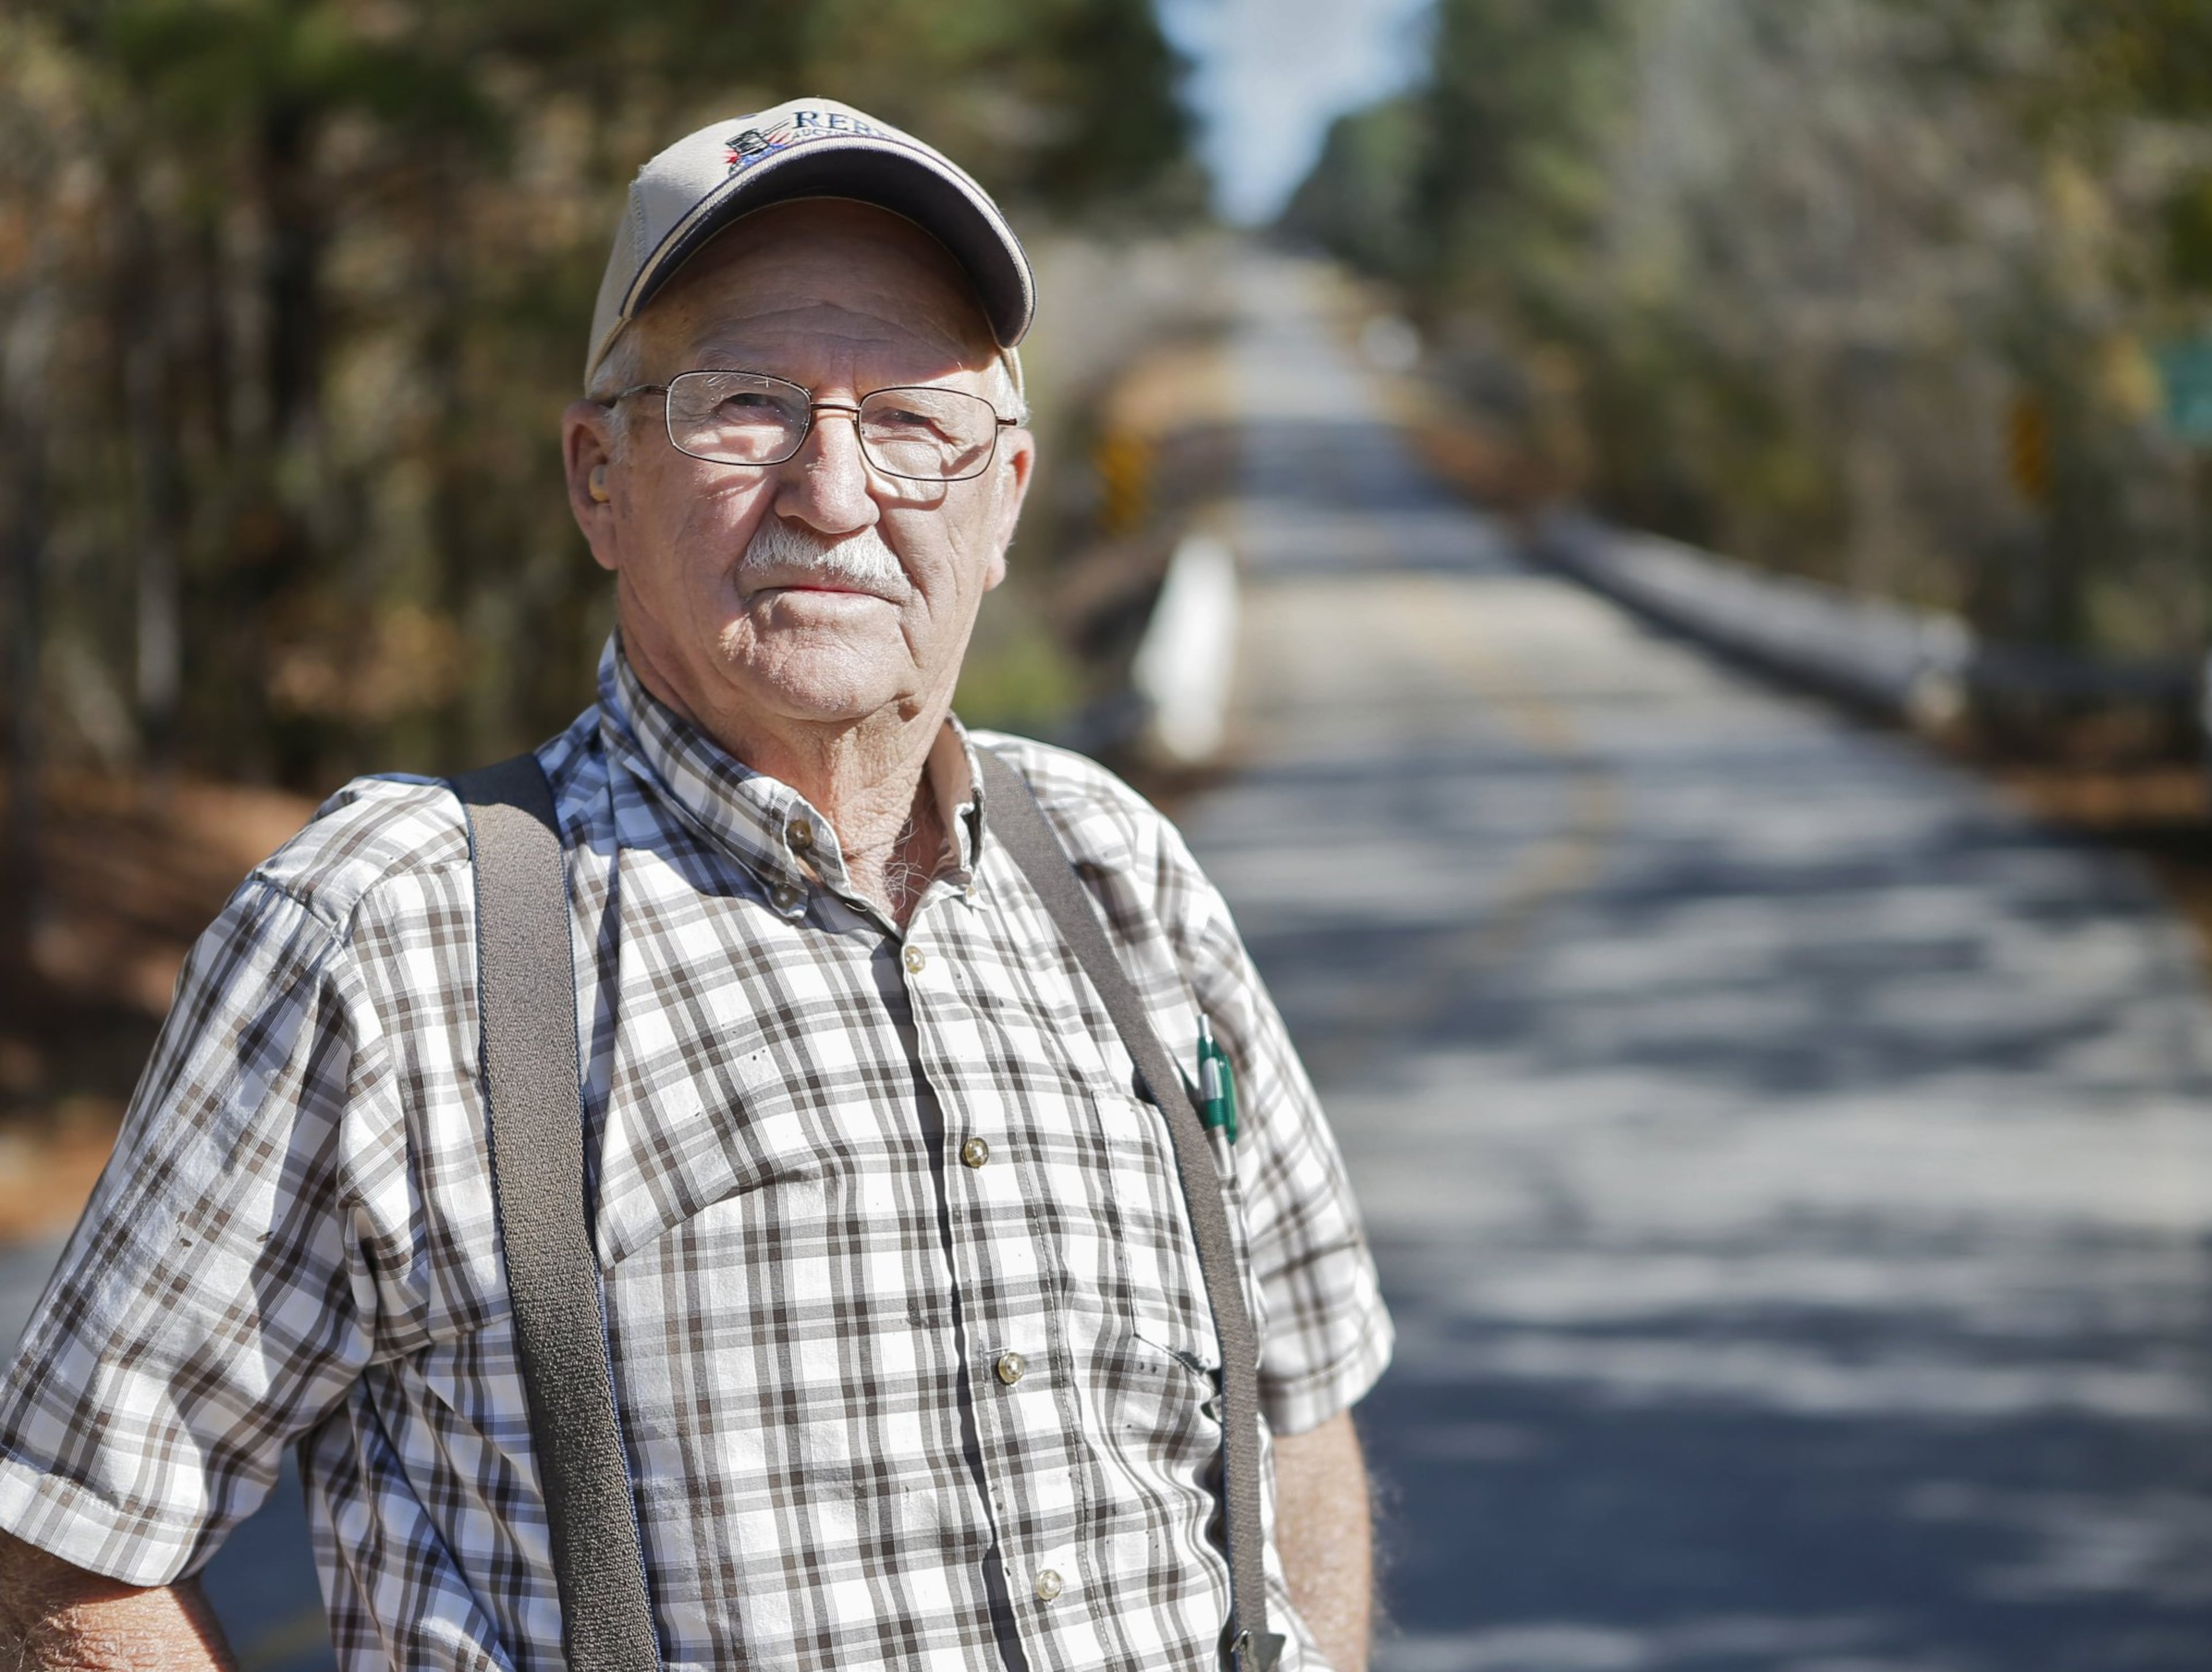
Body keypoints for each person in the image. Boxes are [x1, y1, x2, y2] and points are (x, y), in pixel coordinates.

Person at [0, 98, 1392, 1672]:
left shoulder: (1117, 867)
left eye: (913, 426)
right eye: (746, 408)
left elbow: (1301, 1407)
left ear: (1004, 497)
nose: (835, 493)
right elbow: (68, 1542)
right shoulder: (385, 934)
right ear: (601, 477)